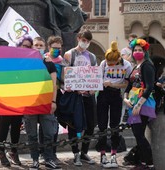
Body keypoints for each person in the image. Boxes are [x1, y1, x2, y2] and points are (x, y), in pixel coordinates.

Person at [60, 29, 97, 166]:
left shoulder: (92, 57)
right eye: (84, 40)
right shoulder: (69, 55)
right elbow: (64, 75)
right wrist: (71, 86)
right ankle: (75, 153)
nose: (85, 43)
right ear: (78, 38)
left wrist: (93, 88)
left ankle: (84, 152)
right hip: (74, 96)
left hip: (88, 95)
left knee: (91, 124)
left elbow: (94, 75)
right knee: (73, 125)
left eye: (88, 41)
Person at [24, 36, 61, 170]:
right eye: (36, 45)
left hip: (46, 103)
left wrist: (53, 101)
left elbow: (53, 84)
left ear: (45, 47)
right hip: (31, 104)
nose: (38, 47)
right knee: (32, 134)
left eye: (41, 45)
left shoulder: (49, 63)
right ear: (32, 47)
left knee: (48, 133)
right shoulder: (26, 63)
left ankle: (49, 158)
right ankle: (35, 159)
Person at [0, 35, 33, 167]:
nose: (27, 48)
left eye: (29, 46)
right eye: (24, 45)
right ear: (18, 46)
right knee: (4, 124)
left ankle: (13, 151)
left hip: (20, 97)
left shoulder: (30, 61)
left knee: (16, 125)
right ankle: (1, 150)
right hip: (7, 96)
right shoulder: (9, 58)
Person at [97, 41, 132, 168]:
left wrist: (113, 84)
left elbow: (127, 84)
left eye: (112, 63)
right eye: (108, 63)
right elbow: (97, 79)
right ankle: (102, 154)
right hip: (103, 94)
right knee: (101, 124)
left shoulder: (126, 65)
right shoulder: (103, 63)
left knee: (114, 125)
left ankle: (113, 155)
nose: (110, 65)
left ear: (118, 59)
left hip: (116, 93)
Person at [123, 38, 156, 170]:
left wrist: (138, 105)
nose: (137, 52)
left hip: (142, 103)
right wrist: (125, 99)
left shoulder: (147, 65)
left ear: (144, 51)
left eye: (140, 50)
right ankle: (142, 162)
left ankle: (149, 164)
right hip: (132, 102)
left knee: (139, 134)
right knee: (138, 134)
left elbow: (149, 87)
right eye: (135, 50)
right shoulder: (135, 66)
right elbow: (128, 86)